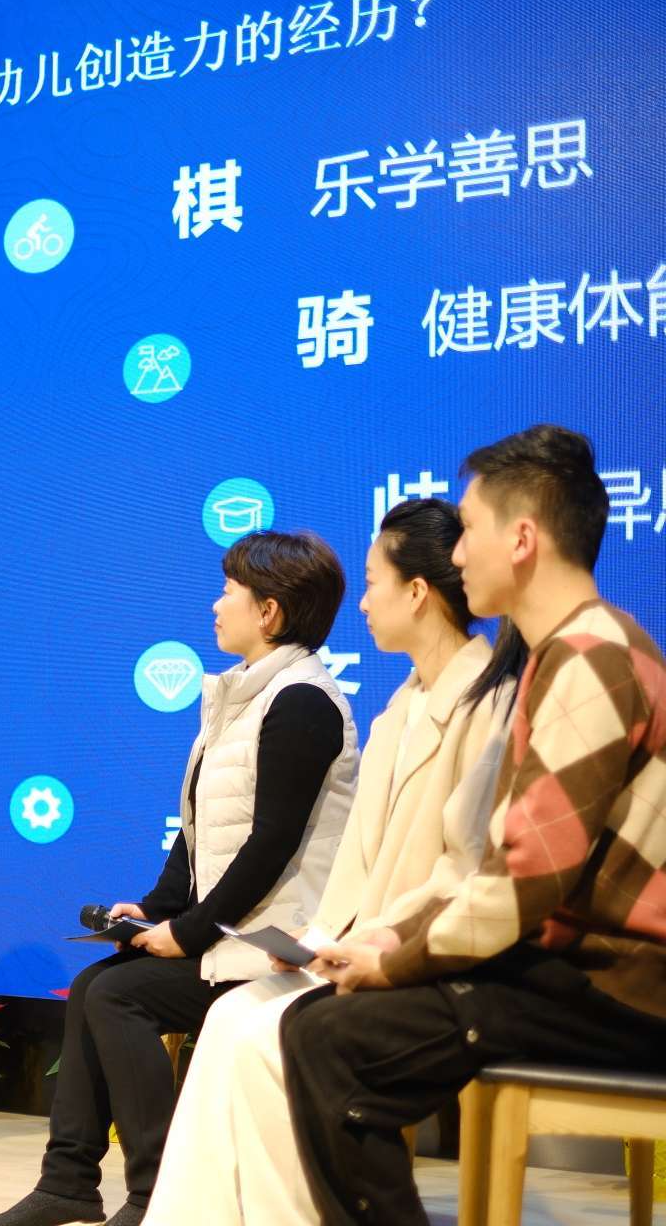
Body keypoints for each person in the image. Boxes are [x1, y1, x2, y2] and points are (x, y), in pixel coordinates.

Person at [280, 426, 666, 1226]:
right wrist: (391, 943)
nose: (457, 555)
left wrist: (395, 962)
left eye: (469, 530)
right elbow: (496, 865)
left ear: (521, 540)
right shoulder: (565, 652)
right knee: (320, 1023)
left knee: (335, 1041)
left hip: (623, 983)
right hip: (577, 970)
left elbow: (527, 879)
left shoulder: (591, 655)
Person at [145, 499, 522, 1223]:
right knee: (229, 1023)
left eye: (375, 583)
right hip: (360, 943)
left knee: (267, 1036)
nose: (365, 603)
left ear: (418, 592)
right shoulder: (398, 709)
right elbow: (358, 867)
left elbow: (466, 871)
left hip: (426, 958)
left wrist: (371, 943)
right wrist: (316, 938)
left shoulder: (488, 704)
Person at [0, 530, 359, 1226]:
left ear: (268, 611)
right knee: (94, 984)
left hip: (279, 944)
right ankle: (68, 1183)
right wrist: (155, 910)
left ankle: (160, 1196)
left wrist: (186, 933)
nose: (215, 605)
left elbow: (271, 844)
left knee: (118, 996)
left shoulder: (301, 701)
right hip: (230, 933)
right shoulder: (243, 696)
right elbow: (199, 829)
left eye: (228, 591)